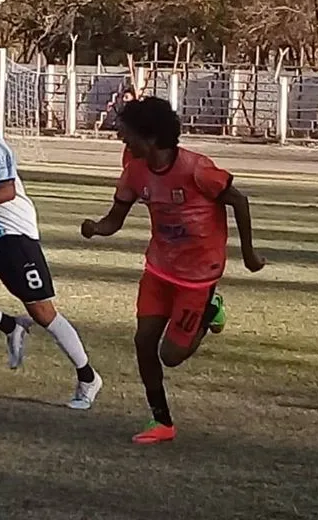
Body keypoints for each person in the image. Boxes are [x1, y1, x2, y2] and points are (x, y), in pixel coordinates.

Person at [81, 96, 264, 444]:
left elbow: (239, 200)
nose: (122, 139)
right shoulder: (135, 170)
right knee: (144, 342)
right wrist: (96, 228)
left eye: (128, 133)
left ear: (150, 138)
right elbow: (114, 220)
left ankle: (210, 308)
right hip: (159, 269)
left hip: (198, 276)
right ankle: (161, 421)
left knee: (171, 356)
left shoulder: (196, 169)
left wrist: (250, 255)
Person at [0, 78, 102, 409]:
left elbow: (7, 190)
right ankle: (11, 326)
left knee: (44, 313)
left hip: (14, 238)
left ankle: (88, 377)